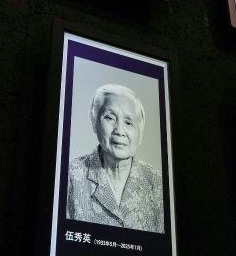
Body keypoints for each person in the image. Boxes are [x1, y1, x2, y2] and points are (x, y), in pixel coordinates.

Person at [66, 84, 164, 232]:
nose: (119, 131)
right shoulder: (70, 175)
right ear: (94, 122)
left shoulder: (158, 183)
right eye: (110, 118)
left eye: (128, 122)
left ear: (140, 132)